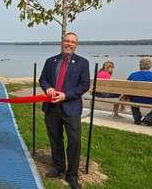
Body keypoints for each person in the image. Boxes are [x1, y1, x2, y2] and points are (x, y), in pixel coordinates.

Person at [39, 32, 90, 189]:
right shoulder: (50, 61)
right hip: (52, 107)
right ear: (61, 43)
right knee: (55, 139)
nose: (69, 44)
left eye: (72, 42)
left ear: (76, 45)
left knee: (74, 141)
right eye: (66, 41)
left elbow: (84, 85)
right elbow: (43, 79)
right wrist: (48, 88)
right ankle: (59, 167)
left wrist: (65, 95)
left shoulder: (82, 63)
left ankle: (72, 175)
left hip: (71, 108)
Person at [127, 58, 152, 126]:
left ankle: (137, 118)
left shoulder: (133, 75)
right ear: (150, 66)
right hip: (151, 100)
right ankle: (148, 118)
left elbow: (127, 88)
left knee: (131, 97)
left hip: (136, 99)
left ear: (140, 65)